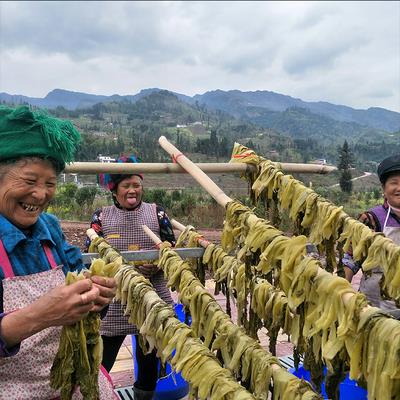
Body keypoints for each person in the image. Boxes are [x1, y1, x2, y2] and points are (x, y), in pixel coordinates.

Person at [0, 105, 117, 399]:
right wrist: (38, 316)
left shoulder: (49, 229)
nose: (40, 195)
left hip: (70, 384)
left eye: (49, 184)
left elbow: (77, 287)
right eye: (29, 181)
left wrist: (95, 296)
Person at [86, 155, 176, 400]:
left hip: (151, 297)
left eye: (136, 184)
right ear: (115, 191)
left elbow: (171, 246)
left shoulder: (156, 213)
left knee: (149, 360)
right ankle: (96, 393)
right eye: (126, 185)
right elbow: (91, 253)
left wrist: (157, 264)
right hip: (114, 300)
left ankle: (143, 396)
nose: (132, 189)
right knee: (102, 358)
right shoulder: (100, 218)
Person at [343, 154, 400, 317]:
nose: (399, 188)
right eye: (394, 183)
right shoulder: (371, 218)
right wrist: (339, 288)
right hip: (372, 306)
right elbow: (351, 258)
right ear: (384, 188)